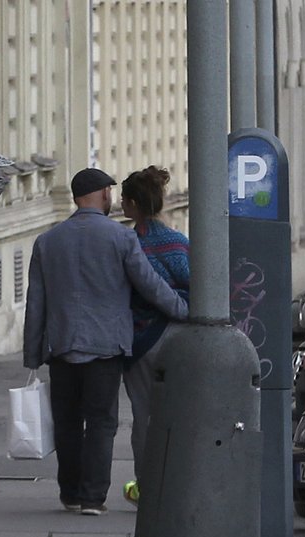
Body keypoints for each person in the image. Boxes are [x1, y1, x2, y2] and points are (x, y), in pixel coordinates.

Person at [23, 167, 188, 516]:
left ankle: (69, 492)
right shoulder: (122, 239)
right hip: (107, 346)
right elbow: (150, 286)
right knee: (101, 422)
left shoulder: (47, 242)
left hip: (62, 345)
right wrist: (183, 309)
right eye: (109, 192)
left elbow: (36, 302)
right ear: (100, 195)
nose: (112, 198)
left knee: (66, 422)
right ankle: (93, 497)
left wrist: (32, 352)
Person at [119, 166, 190, 506]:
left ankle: (146, 486)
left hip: (138, 340)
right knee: (179, 411)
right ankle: (177, 483)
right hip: (178, 337)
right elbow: (198, 285)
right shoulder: (178, 243)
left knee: (144, 415)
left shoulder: (127, 243)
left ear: (132, 204)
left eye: (123, 200)